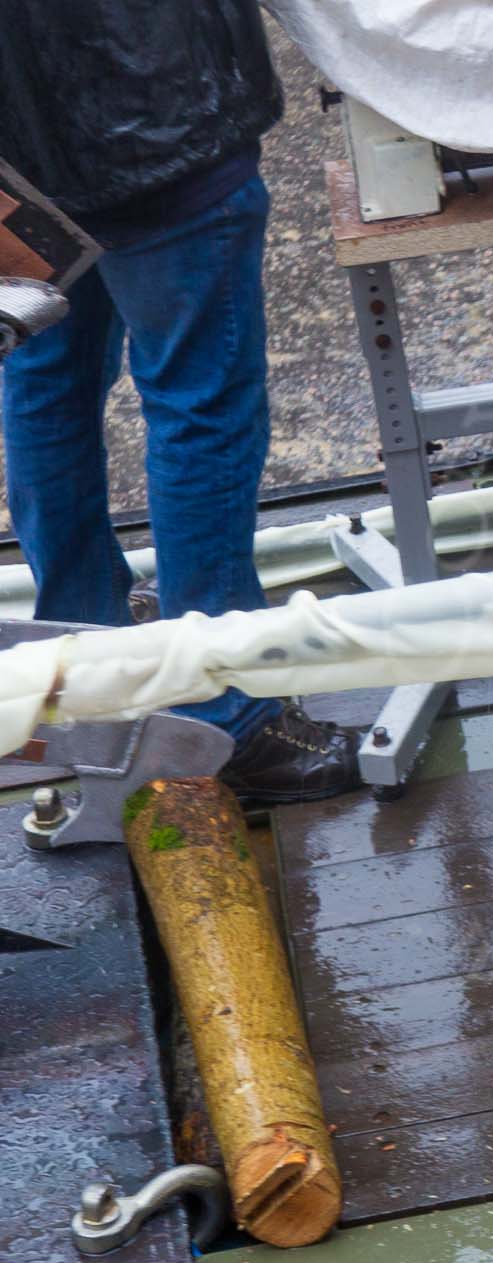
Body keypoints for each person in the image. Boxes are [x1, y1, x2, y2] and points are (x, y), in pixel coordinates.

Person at [0, 0, 361, 803]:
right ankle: (227, 716)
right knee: (199, 409)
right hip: (156, 118)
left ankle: (81, 669)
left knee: (44, 385)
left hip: (13, 168)